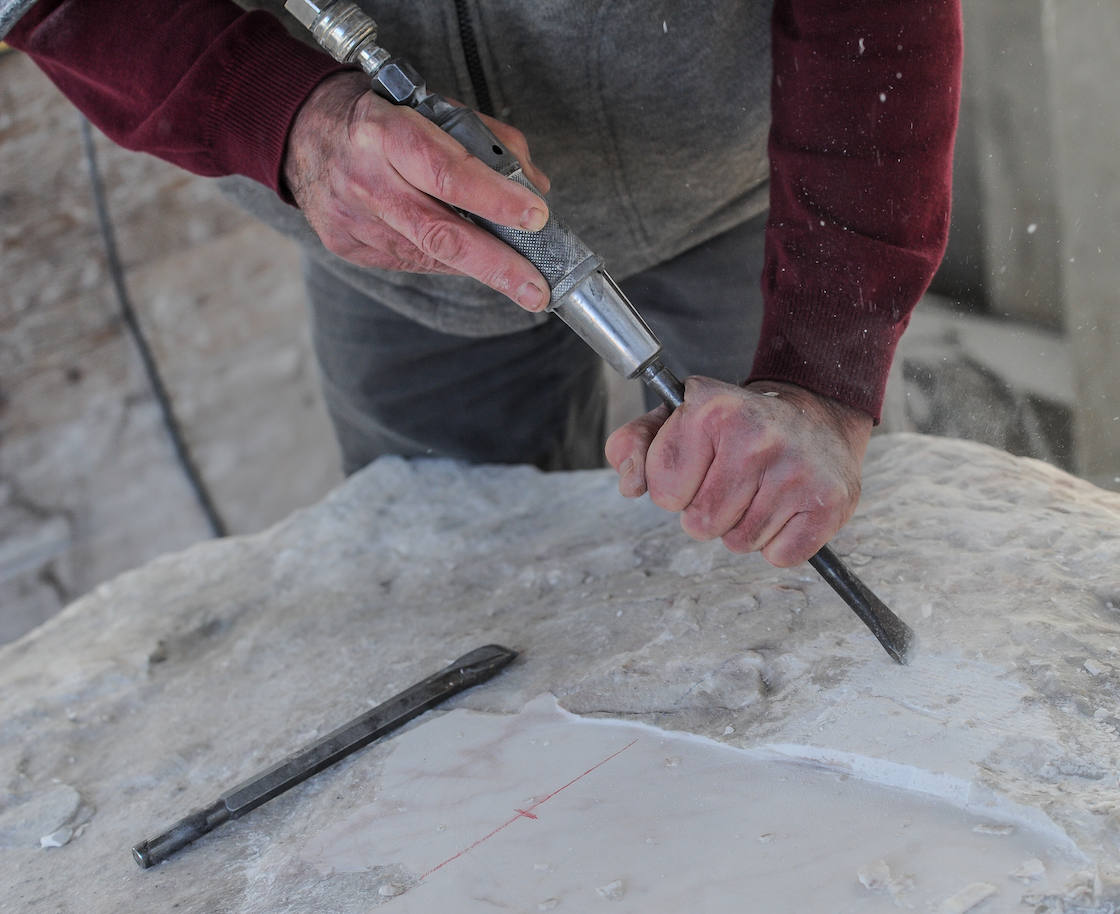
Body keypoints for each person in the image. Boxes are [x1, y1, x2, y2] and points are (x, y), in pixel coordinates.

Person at [4, 0, 961, 569]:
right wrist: (270, 110)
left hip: (747, 199)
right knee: (453, 623)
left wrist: (826, 362)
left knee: (795, 564)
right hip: (386, 227)